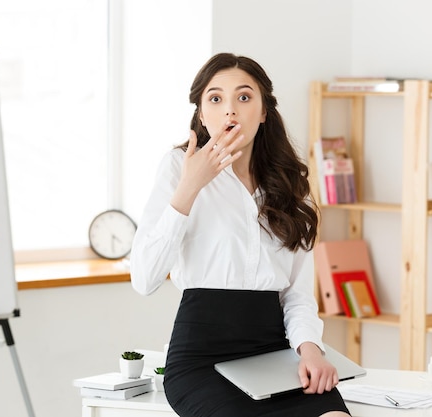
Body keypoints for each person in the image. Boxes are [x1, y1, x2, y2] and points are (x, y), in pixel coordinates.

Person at [130, 52, 350, 417]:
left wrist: (310, 348)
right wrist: (190, 187)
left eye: (244, 97)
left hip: (275, 355)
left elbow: (296, 293)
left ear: (264, 111)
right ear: (202, 113)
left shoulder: (289, 184)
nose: (230, 110)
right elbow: (144, 278)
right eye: (216, 99)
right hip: (202, 360)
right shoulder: (176, 169)